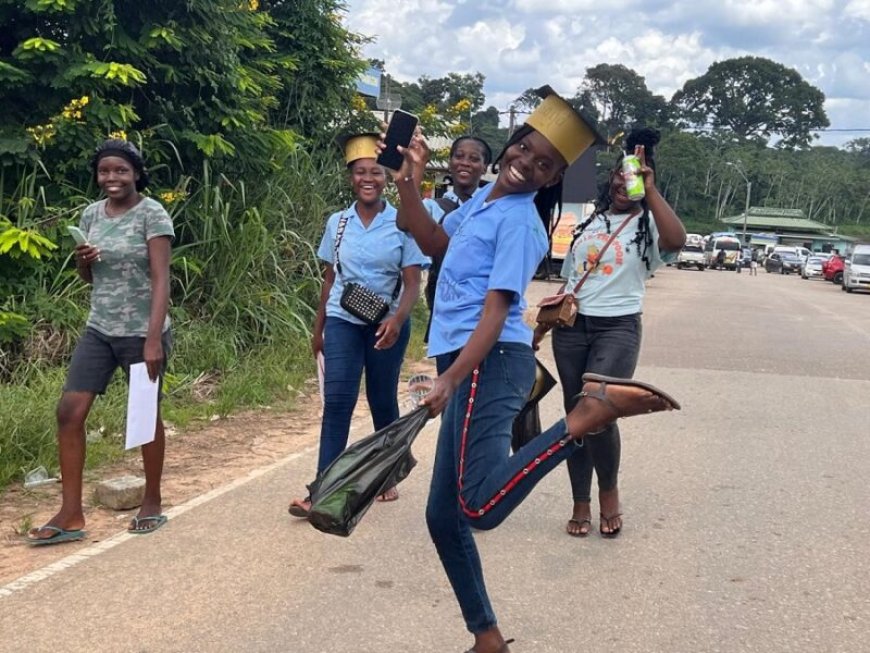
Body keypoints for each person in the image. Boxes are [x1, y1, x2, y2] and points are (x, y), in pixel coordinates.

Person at [390, 87, 681, 653]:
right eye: (526, 150)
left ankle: (580, 422)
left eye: (545, 164)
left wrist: (450, 378)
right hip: (469, 358)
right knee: (442, 517)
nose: (529, 164)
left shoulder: (521, 222)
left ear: (551, 180)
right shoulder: (481, 203)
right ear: (512, 145)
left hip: (490, 361)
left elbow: (499, 311)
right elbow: (427, 238)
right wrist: (409, 177)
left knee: (478, 507)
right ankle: (488, 636)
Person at [532, 128, 686, 538]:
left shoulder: (649, 224)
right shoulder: (592, 221)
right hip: (573, 328)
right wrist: (545, 324)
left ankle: (609, 493)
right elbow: (570, 280)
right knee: (575, 416)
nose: (623, 182)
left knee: (598, 409)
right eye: (620, 174)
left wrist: (649, 191)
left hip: (617, 326)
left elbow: (678, 240)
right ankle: (579, 500)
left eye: (633, 176)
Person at [27, 139, 174, 544]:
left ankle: (152, 500)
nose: (112, 178)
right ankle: (71, 513)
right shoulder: (91, 214)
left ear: (136, 174)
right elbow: (90, 279)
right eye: (105, 171)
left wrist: (152, 339)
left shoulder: (152, 214)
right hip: (100, 329)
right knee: (69, 412)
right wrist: (83, 262)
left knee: (144, 418)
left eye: (121, 171)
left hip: (143, 331)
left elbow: (162, 279)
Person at [288, 133, 426, 516]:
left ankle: (387, 475)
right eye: (361, 172)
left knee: (382, 400)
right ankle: (322, 490)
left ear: (385, 178)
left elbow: (413, 282)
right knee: (337, 404)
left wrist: (398, 319)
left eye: (376, 172)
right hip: (342, 321)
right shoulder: (338, 222)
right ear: (351, 178)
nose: (369, 179)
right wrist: (318, 331)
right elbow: (330, 279)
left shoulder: (402, 220)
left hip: (388, 325)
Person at [397, 135, 493, 373]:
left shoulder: (490, 208)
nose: (465, 163)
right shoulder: (434, 207)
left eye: (474, 158)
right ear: (449, 162)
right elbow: (404, 222)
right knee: (449, 386)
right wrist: (417, 167)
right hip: (446, 312)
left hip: (482, 310)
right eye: (459, 156)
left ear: (485, 167)